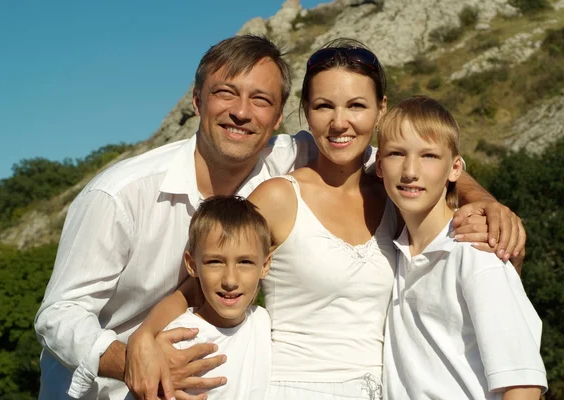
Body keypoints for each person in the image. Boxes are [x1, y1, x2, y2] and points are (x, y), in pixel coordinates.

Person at [35, 34, 524, 400]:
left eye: (262, 100)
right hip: (104, 384)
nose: (242, 113)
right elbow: (58, 315)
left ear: (277, 116)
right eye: (226, 93)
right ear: (197, 100)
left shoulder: (344, 167)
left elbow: (416, 162)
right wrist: (134, 349)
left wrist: (480, 196)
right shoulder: (119, 194)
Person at [376, 96, 547, 399]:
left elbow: (523, 384)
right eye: (396, 154)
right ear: (378, 166)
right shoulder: (396, 253)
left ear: (455, 168)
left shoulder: (475, 252)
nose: (410, 170)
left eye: (428, 156)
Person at [145, 195, 273, 400]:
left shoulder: (262, 321)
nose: (230, 280)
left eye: (245, 262)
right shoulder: (177, 342)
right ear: (192, 264)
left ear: (265, 266)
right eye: (215, 262)